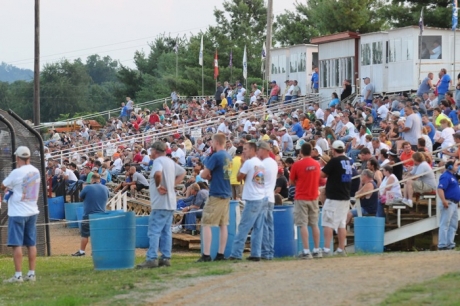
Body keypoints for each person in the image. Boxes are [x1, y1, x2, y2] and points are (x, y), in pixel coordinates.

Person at [137, 141, 186, 268]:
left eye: (151, 150)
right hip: (170, 202)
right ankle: (165, 258)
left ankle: (151, 258)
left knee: (154, 231)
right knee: (166, 232)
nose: (150, 153)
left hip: (160, 202)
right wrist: (172, 185)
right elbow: (183, 172)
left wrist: (159, 186)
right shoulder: (170, 161)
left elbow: (158, 174)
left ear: (155, 151)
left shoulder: (158, 161)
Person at [1, 146, 40, 283]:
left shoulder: (16, 172)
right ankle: (31, 273)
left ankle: (18, 275)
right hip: (32, 210)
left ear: (18, 158)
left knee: (16, 244)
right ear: (28, 157)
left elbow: (3, 185)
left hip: (17, 212)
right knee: (31, 244)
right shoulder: (36, 171)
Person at [197, 133, 233, 262]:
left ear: (216, 142)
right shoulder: (228, 155)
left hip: (216, 192)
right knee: (223, 224)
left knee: (206, 222)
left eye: (212, 142)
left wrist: (204, 174)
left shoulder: (216, 156)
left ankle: (206, 254)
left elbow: (204, 174)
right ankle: (220, 254)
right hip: (226, 191)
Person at [229, 142, 266, 261]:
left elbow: (239, 177)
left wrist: (242, 163)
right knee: (258, 228)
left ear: (252, 150)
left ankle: (236, 253)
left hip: (252, 198)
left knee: (244, 227)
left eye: (245, 149)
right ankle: (256, 253)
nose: (243, 151)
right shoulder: (260, 163)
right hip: (261, 196)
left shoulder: (248, 162)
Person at [289, 143, 322, 259]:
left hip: (301, 196)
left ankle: (306, 251)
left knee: (302, 224)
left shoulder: (297, 165)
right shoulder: (316, 164)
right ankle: (317, 249)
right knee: (314, 224)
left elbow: (291, 182)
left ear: (301, 152)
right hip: (313, 196)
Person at [320, 140, 352, 257]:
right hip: (345, 195)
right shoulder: (348, 161)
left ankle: (327, 249)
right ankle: (340, 249)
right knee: (341, 224)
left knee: (328, 223)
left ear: (333, 150)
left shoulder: (334, 161)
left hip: (334, 197)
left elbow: (322, 175)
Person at [71, 173, 109, 257]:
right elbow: (107, 197)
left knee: (85, 234)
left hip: (88, 214)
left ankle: (82, 251)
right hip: (101, 215)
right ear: (99, 180)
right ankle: (96, 251)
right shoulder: (106, 188)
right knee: (98, 234)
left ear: (92, 180)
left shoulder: (88, 187)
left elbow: (80, 197)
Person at [257, 141, 278, 260]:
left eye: (259, 150)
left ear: (264, 150)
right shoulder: (273, 162)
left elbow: (257, 181)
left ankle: (265, 251)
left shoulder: (262, 164)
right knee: (269, 226)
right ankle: (269, 251)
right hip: (270, 196)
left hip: (263, 196)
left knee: (263, 226)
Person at [437, 160, 460, 250]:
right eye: (456, 165)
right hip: (448, 202)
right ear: (450, 167)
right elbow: (440, 189)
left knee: (453, 225)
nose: (457, 167)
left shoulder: (453, 176)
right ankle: (442, 244)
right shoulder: (446, 176)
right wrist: (443, 200)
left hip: (454, 203)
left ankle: (450, 243)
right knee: (445, 224)